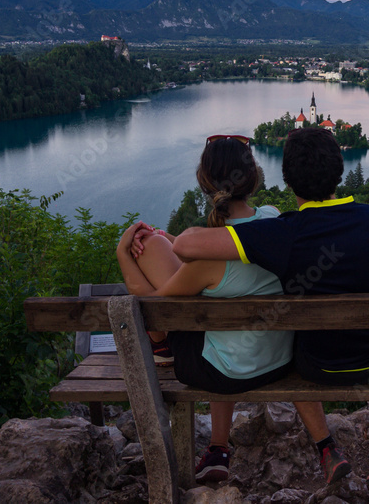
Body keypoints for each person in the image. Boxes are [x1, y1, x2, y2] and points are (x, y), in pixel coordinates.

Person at [173, 127, 369, 488]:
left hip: (318, 366)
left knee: (296, 344)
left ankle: (327, 449)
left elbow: (186, 245)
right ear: (340, 170)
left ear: (288, 181)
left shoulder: (282, 233)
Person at [116, 134, 292, 484]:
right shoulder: (273, 219)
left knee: (149, 249)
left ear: (206, 184)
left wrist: (124, 253)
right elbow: (228, 242)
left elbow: (151, 303)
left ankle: (162, 349)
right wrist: (174, 242)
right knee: (221, 331)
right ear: (252, 177)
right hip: (277, 361)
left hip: (227, 373)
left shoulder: (205, 264)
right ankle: (217, 448)